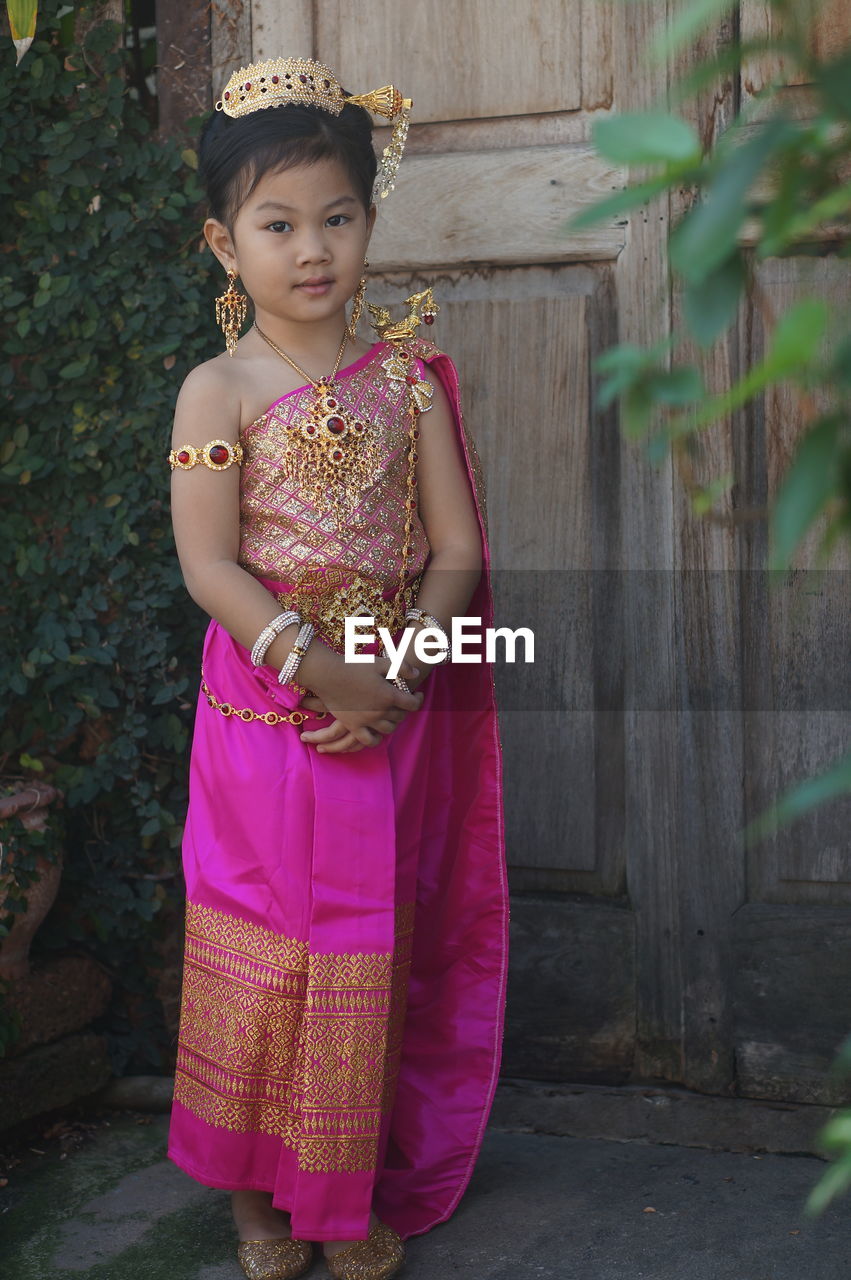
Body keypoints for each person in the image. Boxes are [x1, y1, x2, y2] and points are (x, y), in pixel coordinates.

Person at [165, 55, 508, 1280]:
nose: (311, 248)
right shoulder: (216, 390)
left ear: (368, 221)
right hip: (265, 710)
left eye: (338, 217)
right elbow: (210, 566)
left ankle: (341, 1187)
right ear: (224, 243)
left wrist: (399, 674)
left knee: (373, 942)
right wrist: (318, 671)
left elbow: (458, 551)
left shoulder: (404, 384)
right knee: (269, 940)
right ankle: (256, 1196)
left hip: (386, 706)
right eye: (277, 223)